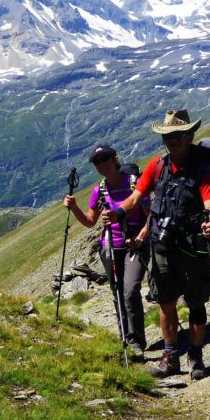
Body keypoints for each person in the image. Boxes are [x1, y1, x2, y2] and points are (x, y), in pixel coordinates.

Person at [103, 109, 210, 380]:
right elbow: (136, 197)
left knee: (196, 302)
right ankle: (171, 356)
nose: (173, 140)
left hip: (192, 245)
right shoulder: (157, 166)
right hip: (161, 244)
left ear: (190, 135)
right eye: (168, 135)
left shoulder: (202, 170)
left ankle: (195, 355)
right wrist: (118, 213)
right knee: (165, 301)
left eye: (179, 134)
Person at [63, 144, 151, 359]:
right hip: (110, 246)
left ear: (115, 159)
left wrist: (140, 238)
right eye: (97, 162)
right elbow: (90, 222)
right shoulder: (99, 191)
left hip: (135, 246)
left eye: (105, 159)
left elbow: (151, 216)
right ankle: (126, 338)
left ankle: (136, 340)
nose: (102, 165)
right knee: (118, 292)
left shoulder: (134, 185)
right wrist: (74, 208)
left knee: (130, 290)